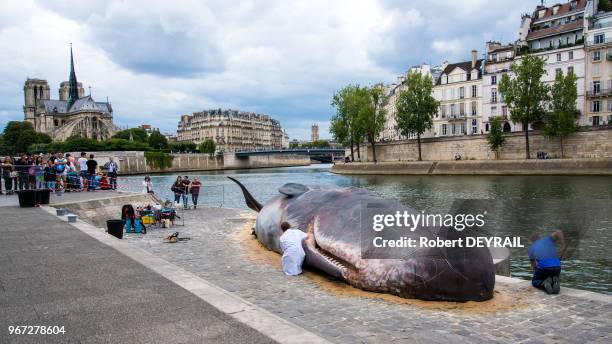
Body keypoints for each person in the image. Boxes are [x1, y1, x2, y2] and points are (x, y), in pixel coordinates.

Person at [528, 230, 567, 294]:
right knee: (551, 277)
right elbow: (559, 232)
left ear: (532, 241)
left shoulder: (531, 248)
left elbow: (534, 265)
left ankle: (544, 283)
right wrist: (563, 246)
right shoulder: (547, 239)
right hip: (557, 267)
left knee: (535, 281)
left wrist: (536, 273)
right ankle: (555, 282)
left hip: (544, 268)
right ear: (539, 238)